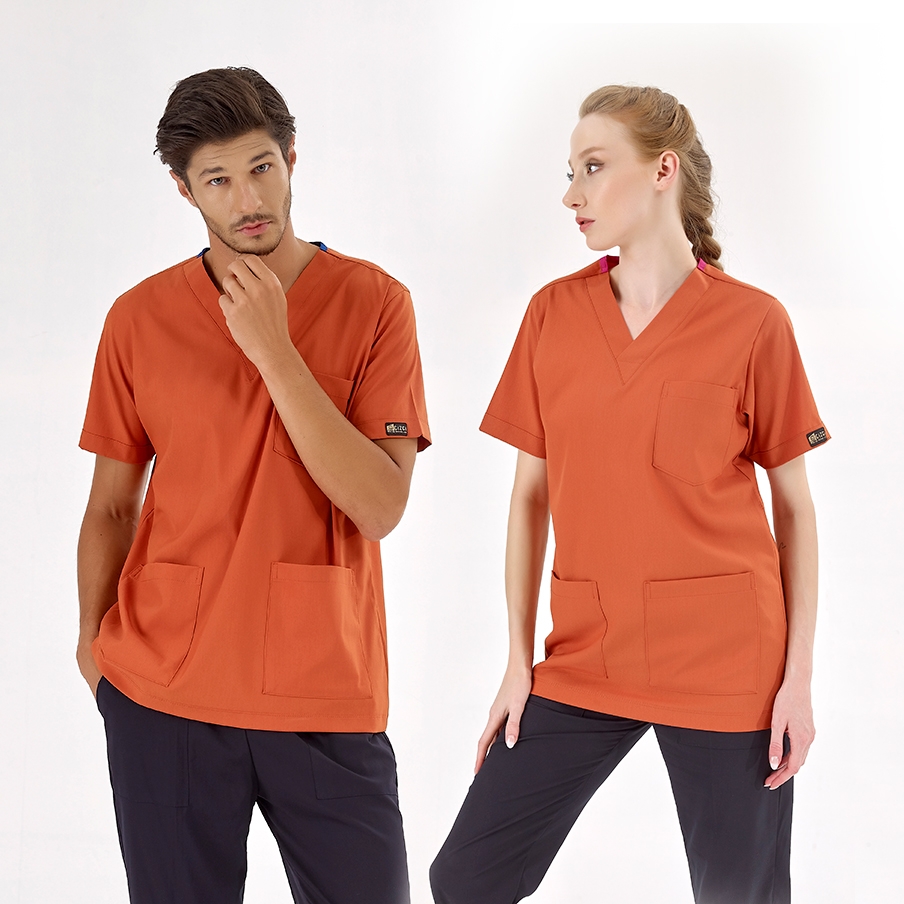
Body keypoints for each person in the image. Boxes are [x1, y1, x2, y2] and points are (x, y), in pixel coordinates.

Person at [430, 85, 827, 904]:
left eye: (593, 167)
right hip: (587, 653)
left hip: (726, 661)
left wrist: (797, 680)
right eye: (570, 172)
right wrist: (517, 663)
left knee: (740, 896)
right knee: (466, 876)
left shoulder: (755, 323)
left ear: (662, 171)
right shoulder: (552, 315)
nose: (571, 194)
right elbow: (529, 498)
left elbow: (794, 509)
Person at [76, 66, 429, 904]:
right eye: (218, 181)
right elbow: (112, 505)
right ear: (183, 189)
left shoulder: (376, 305)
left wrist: (274, 348)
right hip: (164, 695)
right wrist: (94, 650)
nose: (247, 201)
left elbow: (380, 505)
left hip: (324, 692)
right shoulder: (139, 318)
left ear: (292, 158)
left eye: (261, 167)